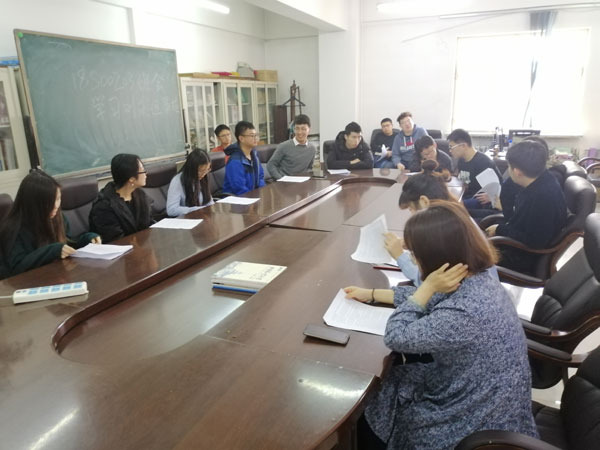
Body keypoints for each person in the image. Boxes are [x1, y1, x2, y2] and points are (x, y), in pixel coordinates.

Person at [345, 201, 538, 449]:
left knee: (372, 401)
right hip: (481, 390)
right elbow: (431, 298)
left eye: (415, 255)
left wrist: (426, 286)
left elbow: (396, 336)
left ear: (435, 257)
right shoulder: (477, 278)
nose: (414, 261)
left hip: (474, 416)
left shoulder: (465, 312)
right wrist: (371, 294)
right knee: (390, 378)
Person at [486, 140, 567, 274]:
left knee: (469, 256)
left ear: (517, 172)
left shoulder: (543, 197)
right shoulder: (541, 180)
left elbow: (535, 241)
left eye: (509, 167)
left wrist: (499, 229)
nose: (509, 171)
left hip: (523, 255)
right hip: (515, 243)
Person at [0, 170, 100, 278]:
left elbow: (66, 245)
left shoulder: (57, 217)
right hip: (27, 283)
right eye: (50, 202)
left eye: (58, 199)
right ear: (34, 204)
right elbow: (16, 269)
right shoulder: (12, 228)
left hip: (54, 276)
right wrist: (53, 251)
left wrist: (86, 239)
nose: (56, 206)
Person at [384, 160, 457, 286]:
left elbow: (425, 282)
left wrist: (399, 256)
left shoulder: (443, 231)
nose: (411, 214)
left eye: (411, 209)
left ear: (424, 201)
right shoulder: (452, 216)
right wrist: (412, 244)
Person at [89, 153, 154, 243]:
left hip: (141, 246)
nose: (146, 174)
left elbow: (149, 223)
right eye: (143, 171)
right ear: (131, 179)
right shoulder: (104, 205)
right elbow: (116, 240)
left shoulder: (140, 195)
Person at [447, 128, 501, 211]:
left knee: (453, 207)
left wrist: (492, 196)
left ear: (463, 146)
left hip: (483, 203)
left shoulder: (483, 163)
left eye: (451, 147)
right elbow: (465, 183)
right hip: (470, 195)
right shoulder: (461, 161)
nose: (450, 151)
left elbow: (495, 192)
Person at [166, 148, 214, 217]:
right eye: (200, 171)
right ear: (191, 168)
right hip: (186, 219)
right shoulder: (177, 181)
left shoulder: (204, 177)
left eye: (207, 170)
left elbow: (209, 201)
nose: (203, 174)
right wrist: (196, 210)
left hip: (202, 217)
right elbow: (171, 210)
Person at [266, 114, 316, 180]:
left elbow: (309, 168)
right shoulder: (284, 146)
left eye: (303, 129)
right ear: (293, 129)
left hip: (302, 182)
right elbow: (270, 165)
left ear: (309, 130)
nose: (299, 132)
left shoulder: (312, 149)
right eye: (297, 129)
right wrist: (281, 179)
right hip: (284, 182)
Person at [223, 121, 265, 195]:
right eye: (252, 136)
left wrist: (263, 192)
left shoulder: (254, 155)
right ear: (241, 138)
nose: (255, 138)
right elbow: (239, 188)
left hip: (253, 195)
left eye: (256, 135)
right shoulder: (235, 161)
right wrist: (255, 197)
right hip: (238, 198)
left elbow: (260, 177)